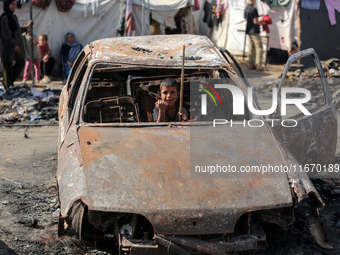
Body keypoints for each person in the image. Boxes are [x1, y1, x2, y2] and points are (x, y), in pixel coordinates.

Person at [0, 0, 32, 89]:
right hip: (7, 46)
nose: (15, 6)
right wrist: (14, 45)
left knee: (21, 62)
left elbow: (17, 31)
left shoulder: (13, 17)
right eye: (12, 4)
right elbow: (6, 33)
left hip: (16, 46)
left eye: (15, 4)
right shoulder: (4, 18)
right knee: (8, 67)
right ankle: (8, 87)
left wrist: (26, 28)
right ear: (7, 5)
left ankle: (6, 81)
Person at [244, 0, 267, 71]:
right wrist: (263, 23)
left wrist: (258, 16)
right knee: (259, 47)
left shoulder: (246, 8)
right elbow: (255, 21)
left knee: (251, 47)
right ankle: (258, 64)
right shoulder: (254, 9)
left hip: (248, 30)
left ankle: (251, 63)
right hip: (254, 31)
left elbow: (248, 18)